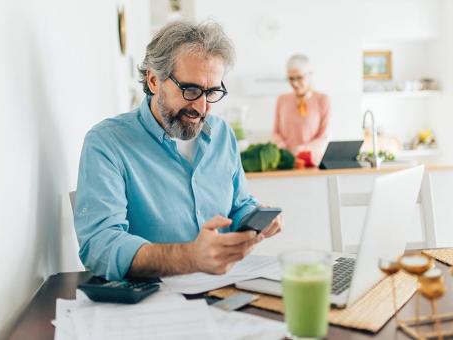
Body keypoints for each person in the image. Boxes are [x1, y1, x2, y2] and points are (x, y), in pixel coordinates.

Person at [74, 21, 283, 281]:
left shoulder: (222, 135)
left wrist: (255, 219)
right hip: (150, 301)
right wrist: (189, 257)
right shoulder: (107, 142)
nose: (202, 107)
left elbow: (237, 206)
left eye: (211, 92)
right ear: (153, 80)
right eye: (191, 90)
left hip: (223, 287)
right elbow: (99, 245)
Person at [273, 54, 330, 165]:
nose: (294, 83)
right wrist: (285, 149)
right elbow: (276, 133)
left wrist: (301, 149)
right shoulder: (282, 100)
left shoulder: (323, 100)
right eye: (291, 78)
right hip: (286, 161)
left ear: (310, 75)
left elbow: (324, 136)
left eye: (299, 78)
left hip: (314, 162)